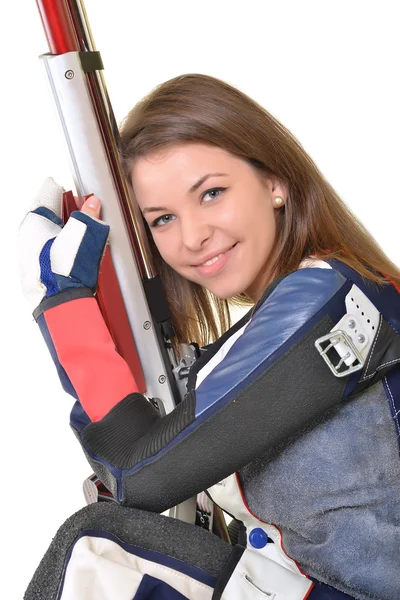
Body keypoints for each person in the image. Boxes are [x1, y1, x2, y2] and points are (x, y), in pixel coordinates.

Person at [19, 74, 400, 600]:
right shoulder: (287, 314)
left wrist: (64, 305)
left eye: (212, 193)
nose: (193, 237)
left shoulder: (324, 297)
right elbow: (135, 465)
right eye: (163, 219)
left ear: (275, 182)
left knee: (98, 551)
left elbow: (139, 476)